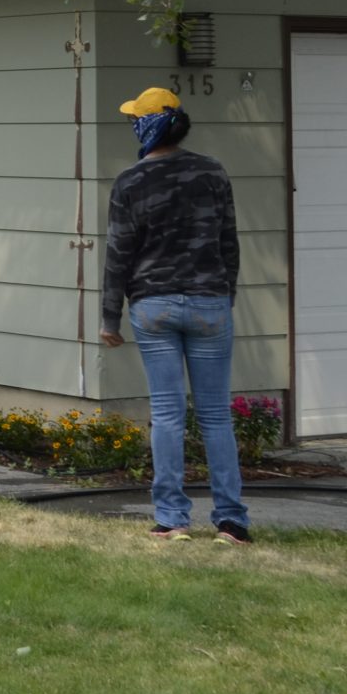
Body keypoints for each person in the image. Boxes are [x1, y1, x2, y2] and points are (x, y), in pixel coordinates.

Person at [99, 85, 249, 545]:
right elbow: (229, 242)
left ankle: (172, 520)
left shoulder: (130, 182)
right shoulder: (213, 172)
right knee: (216, 416)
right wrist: (227, 295)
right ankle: (231, 523)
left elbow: (118, 255)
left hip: (154, 305)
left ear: (147, 127)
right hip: (210, 304)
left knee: (167, 414)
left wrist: (109, 319)